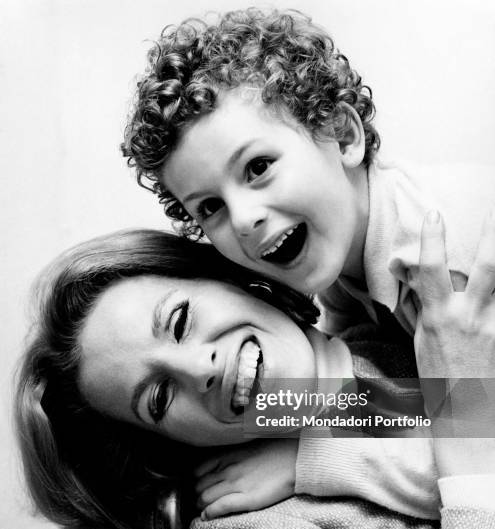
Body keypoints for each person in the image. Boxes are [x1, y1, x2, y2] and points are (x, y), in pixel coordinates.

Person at [14, 221, 495, 529]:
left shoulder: (395, 320)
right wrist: (472, 413)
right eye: (159, 398)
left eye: (180, 321)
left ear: (231, 278)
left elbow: (377, 403)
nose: (199, 368)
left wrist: (313, 456)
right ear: (170, 443)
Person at [122, 7, 495, 343]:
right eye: (210, 206)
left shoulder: (441, 265)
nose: (243, 219)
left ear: (343, 136)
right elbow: (353, 348)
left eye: (258, 167)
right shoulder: (340, 250)